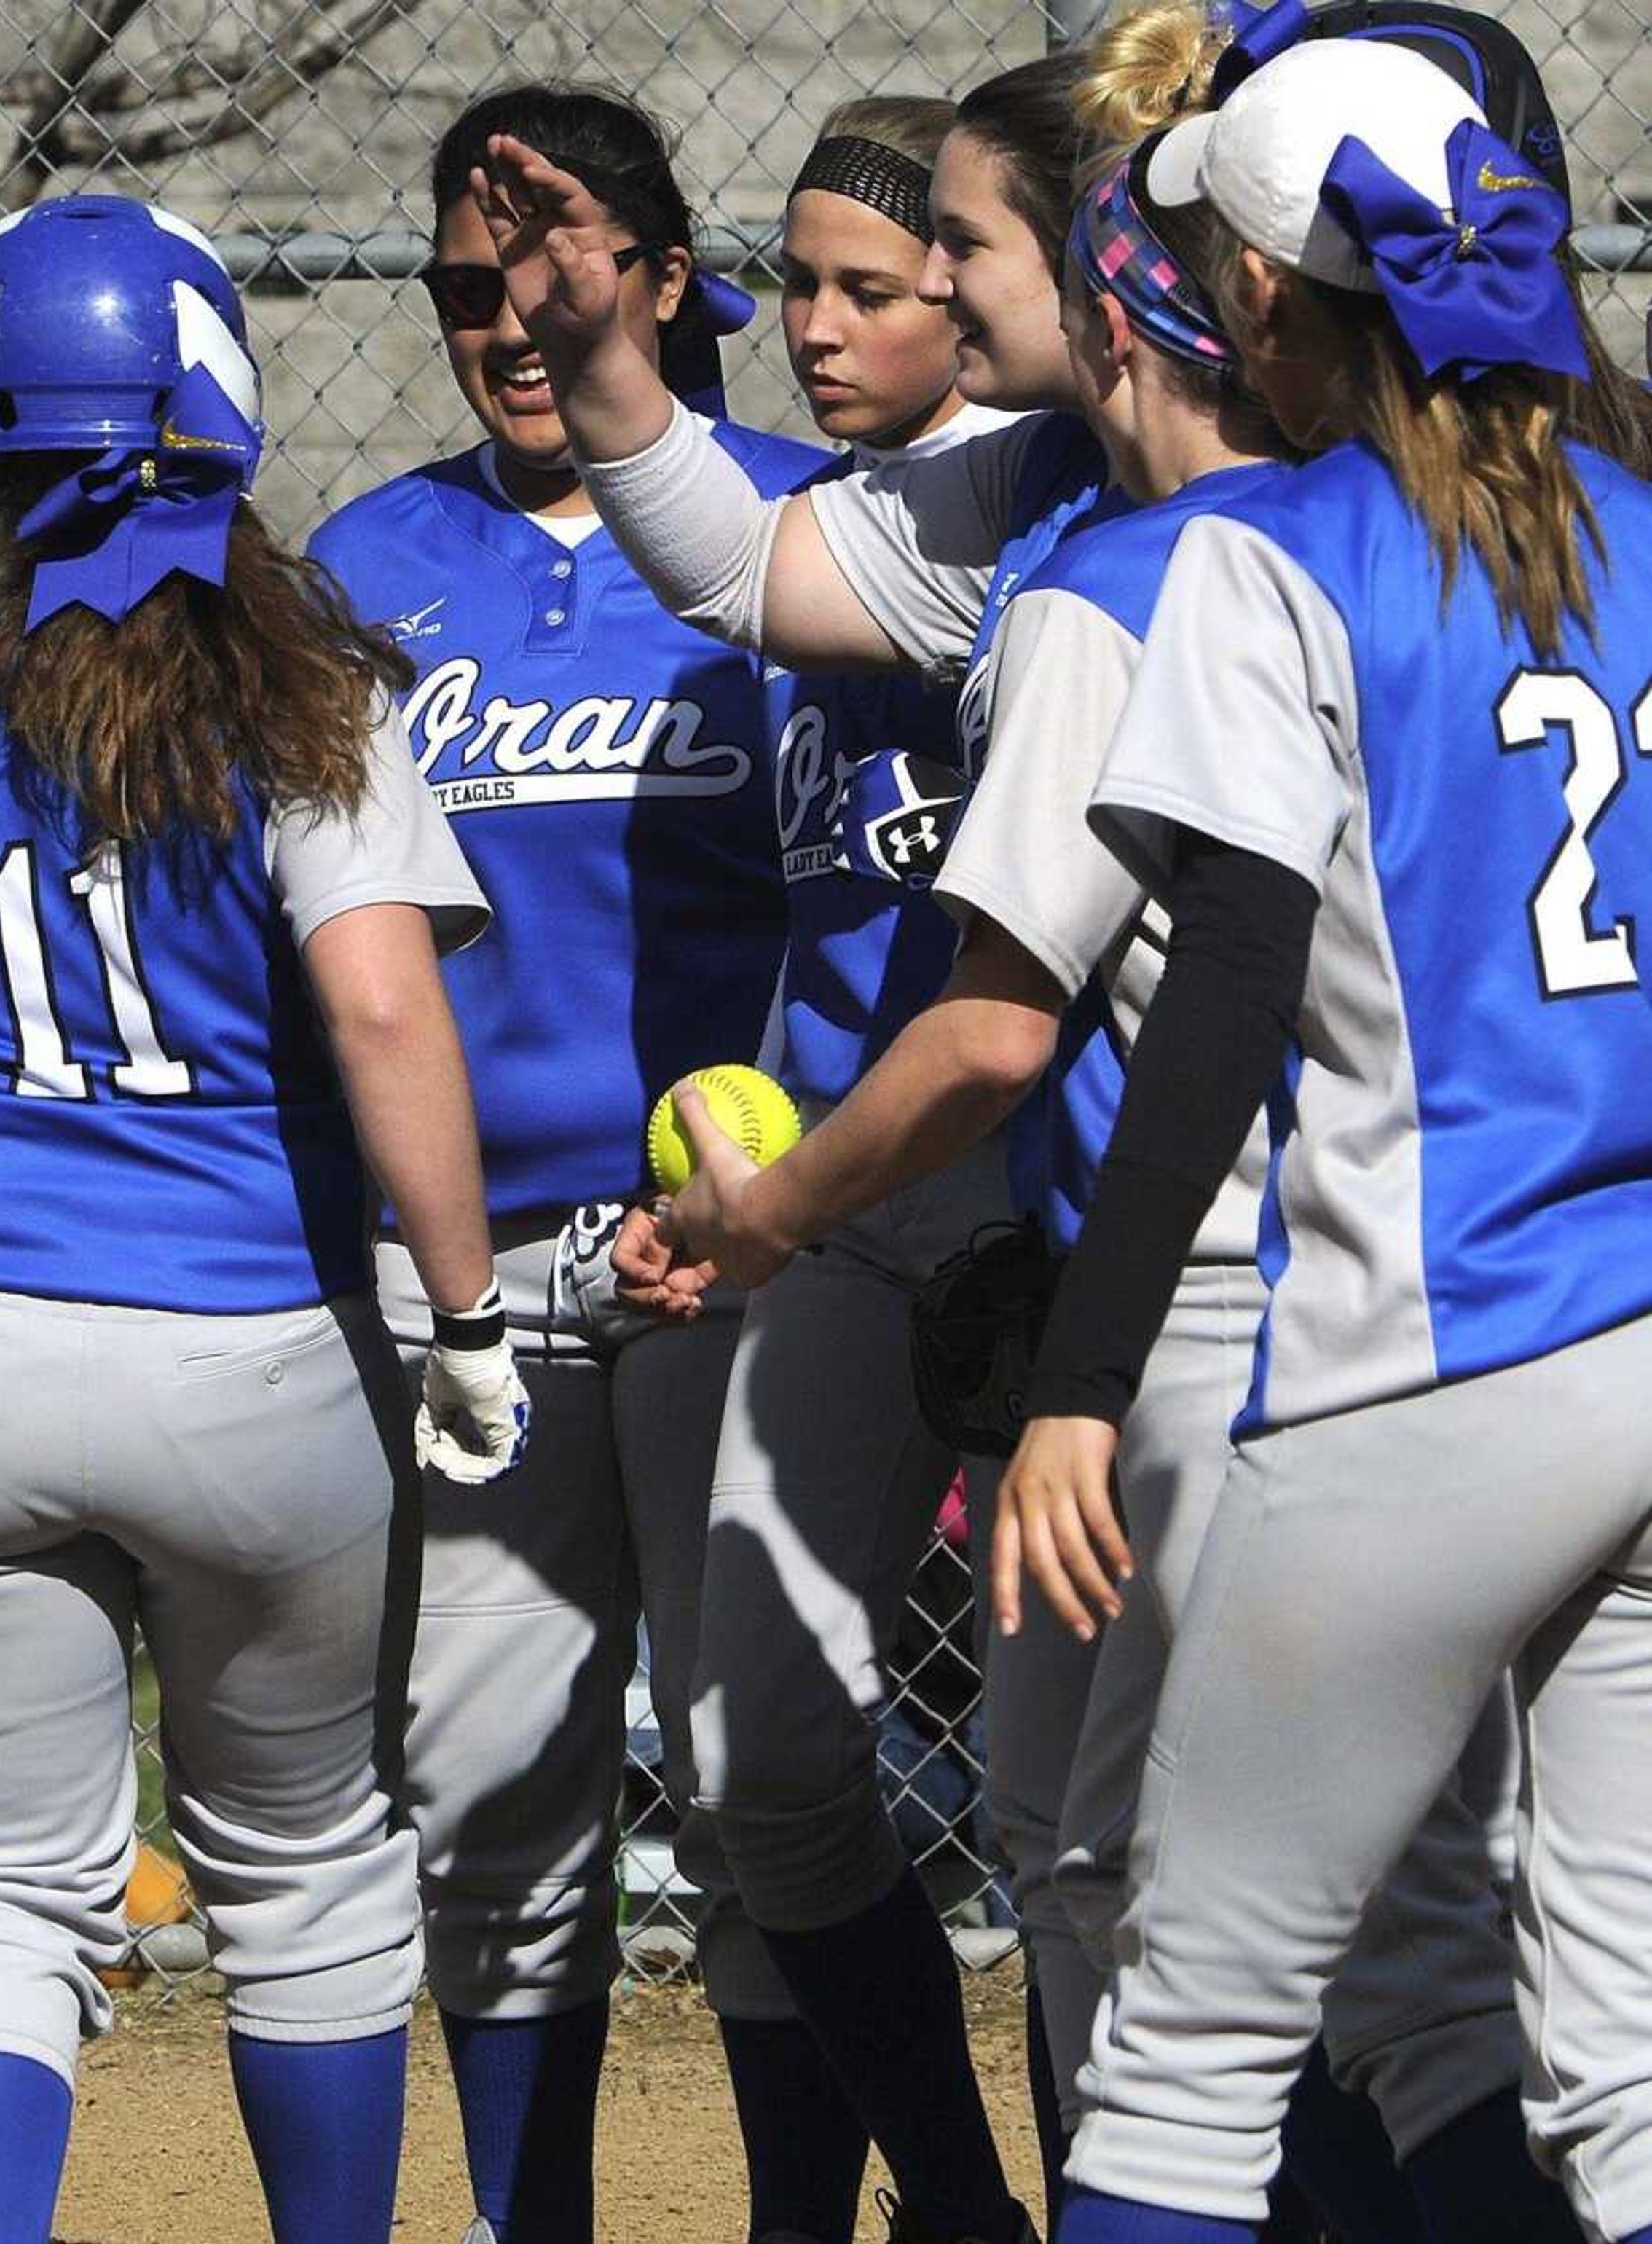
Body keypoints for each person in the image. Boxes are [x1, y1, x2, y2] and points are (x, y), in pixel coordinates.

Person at [656, 15, 1562, 2235]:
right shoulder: (1492, 536)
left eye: (968, 249)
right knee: (1482, 1950)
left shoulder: (1131, 585)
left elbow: (1015, 1034)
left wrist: (793, 1221)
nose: (942, 302)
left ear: (1149, 292)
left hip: (1243, 1322)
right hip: (1517, 1290)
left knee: (1154, 1924)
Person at [0, 193, 518, 2244]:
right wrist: (475, 1315)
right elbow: (388, 1006)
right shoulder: (313, 704)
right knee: (305, 1857)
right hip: (253, 1356)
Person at [981, 36, 1652, 2243]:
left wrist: (1078, 1385)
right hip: (1648, 1338)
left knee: (1186, 2046)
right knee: (1629, 2062)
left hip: (1426, 1372)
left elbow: (1228, 1004)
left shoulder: (1260, 553)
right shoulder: (1646, 521)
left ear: (1262, 301)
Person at [309, 77, 990, 2244]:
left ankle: (826, 2219)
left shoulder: (795, 525)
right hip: (476, 1261)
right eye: (461, 291)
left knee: (745, 1769)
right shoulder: (370, 566)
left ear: (657, 284)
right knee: (490, 1802)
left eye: (546, 279)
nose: (507, 323)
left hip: (738, 1241)